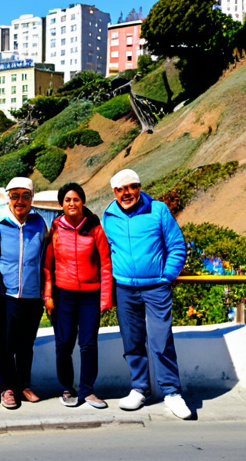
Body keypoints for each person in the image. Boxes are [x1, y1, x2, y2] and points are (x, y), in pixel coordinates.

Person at [102, 169, 191, 419]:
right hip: (124, 289)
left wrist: (167, 276)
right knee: (132, 340)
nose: (126, 193)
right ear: (114, 192)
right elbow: (107, 251)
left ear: (140, 187)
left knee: (161, 340)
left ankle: (172, 393)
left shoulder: (158, 210)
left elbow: (176, 245)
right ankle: (139, 388)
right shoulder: (108, 215)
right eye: (120, 189)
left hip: (155, 287)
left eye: (131, 187)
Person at [43, 183, 112, 409]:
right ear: (61, 204)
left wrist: (105, 298)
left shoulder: (94, 227)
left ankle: (88, 390)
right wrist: (48, 296)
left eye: (75, 199)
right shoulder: (55, 228)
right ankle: (67, 388)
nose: (71, 204)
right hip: (63, 295)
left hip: (90, 295)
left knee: (88, 344)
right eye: (67, 200)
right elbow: (47, 266)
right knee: (63, 344)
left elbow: (105, 263)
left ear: (82, 201)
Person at [0, 177, 48, 410]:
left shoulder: (39, 223)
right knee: (3, 345)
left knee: (25, 345)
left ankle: (23, 384)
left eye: (25, 195)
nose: (20, 200)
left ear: (32, 198)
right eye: (14, 195)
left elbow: (45, 257)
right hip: (5, 296)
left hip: (33, 296)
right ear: (7, 198)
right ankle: (6, 388)